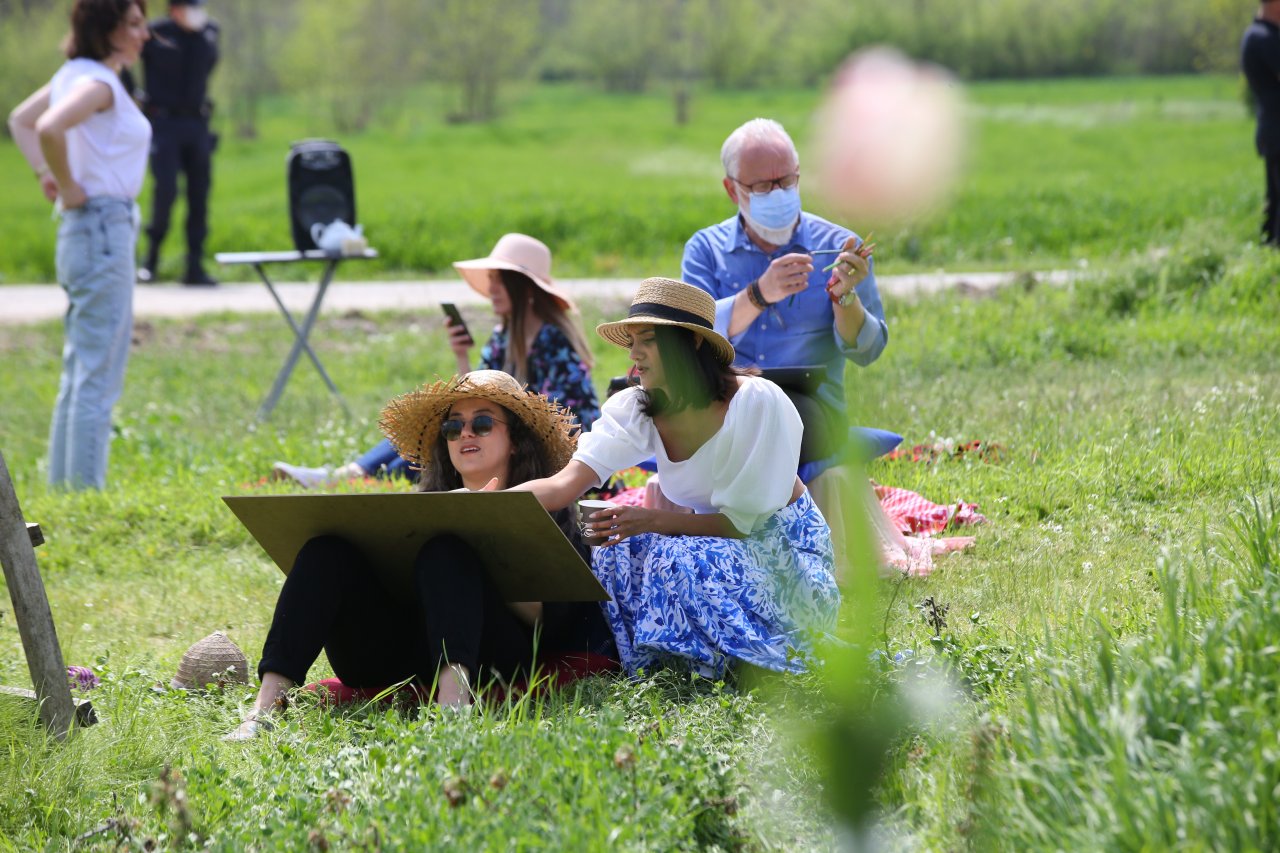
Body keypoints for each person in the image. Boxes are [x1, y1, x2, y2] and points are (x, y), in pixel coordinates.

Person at [228, 370, 614, 740]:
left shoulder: (553, 509)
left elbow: (549, 625)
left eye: (482, 423)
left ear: (515, 439)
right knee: (324, 551)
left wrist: (488, 532)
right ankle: (263, 712)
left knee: (447, 550)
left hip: (490, 656)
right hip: (395, 652)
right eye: (453, 426)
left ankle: (452, 715)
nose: (465, 433)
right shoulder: (423, 509)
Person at [506, 278, 841, 677]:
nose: (633, 354)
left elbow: (745, 525)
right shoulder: (639, 406)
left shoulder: (756, 403)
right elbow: (565, 484)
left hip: (785, 559)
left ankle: (725, 665)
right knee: (613, 552)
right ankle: (655, 663)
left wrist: (653, 522)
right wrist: (485, 504)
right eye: (631, 341)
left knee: (674, 555)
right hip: (712, 547)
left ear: (692, 342)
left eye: (646, 339)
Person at [272, 233, 601, 487]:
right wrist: (461, 356)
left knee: (451, 437)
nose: (492, 290)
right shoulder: (502, 338)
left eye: (501, 282)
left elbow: (566, 420)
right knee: (439, 433)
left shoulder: (554, 341)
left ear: (525, 289)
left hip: (547, 451)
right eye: (493, 282)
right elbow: (475, 399)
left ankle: (351, 474)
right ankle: (354, 471)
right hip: (499, 438)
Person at [681, 118, 887, 467]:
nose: (778, 193)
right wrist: (759, 294)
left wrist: (844, 298)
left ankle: (744, 510)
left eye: (787, 181)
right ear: (733, 190)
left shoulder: (837, 245)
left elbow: (868, 352)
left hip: (810, 407)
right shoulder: (706, 250)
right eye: (762, 186)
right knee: (647, 408)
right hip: (725, 401)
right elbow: (692, 341)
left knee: (781, 422)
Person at [8, 0, 152, 490]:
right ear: (105, 29)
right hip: (101, 223)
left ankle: (67, 488)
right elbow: (47, 127)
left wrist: (46, 173)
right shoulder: (97, 84)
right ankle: (84, 491)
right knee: (99, 372)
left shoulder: (73, 74)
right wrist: (65, 183)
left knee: (80, 367)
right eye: (134, 24)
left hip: (84, 230)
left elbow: (20, 121)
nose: (144, 34)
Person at [137, 0, 220, 285]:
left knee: (200, 195)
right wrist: (132, 94)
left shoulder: (209, 33)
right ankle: (151, 260)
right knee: (166, 191)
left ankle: (194, 267)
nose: (196, 11)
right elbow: (123, 60)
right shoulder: (154, 33)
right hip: (163, 123)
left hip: (197, 123)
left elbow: (208, 67)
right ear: (173, 9)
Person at [1243, 0, 1280, 247]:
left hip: (1272, 129)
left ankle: (1268, 257)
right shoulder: (1264, 38)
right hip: (1277, 130)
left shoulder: (1261, 35)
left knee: (1275, 200)